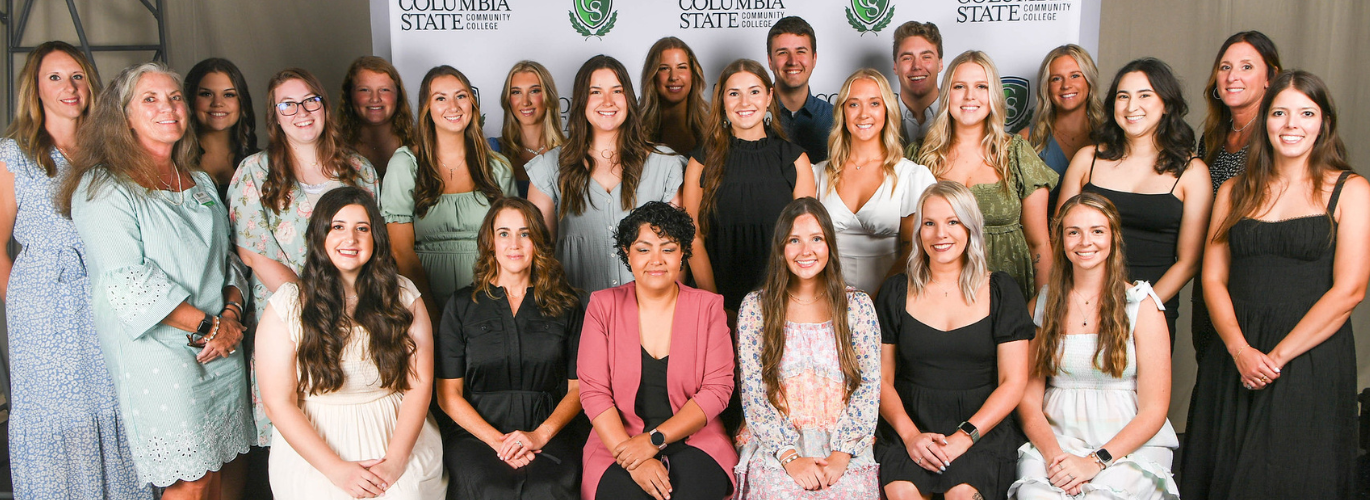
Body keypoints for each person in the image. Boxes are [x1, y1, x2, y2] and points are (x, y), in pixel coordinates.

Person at [61, 61, 254, 498]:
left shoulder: (200, 182)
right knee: (193, 480)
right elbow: (129, 284)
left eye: (173, 98)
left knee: (229, 470)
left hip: (221, 346)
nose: (167, 108)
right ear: (123, 115)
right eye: (150, 99)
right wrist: (211, 328)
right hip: (162, 353)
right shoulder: (103, 188)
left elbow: (230, 261)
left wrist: (230, 314)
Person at [1181, 70, 1369, 500]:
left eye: (1306, 113)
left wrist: (1275, 359)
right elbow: (1212, 277)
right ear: (1264, 120)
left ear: (1324, 122)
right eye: (1280, 113)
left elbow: (1350, 290)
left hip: (1308, 356)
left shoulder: (1351, 189)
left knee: (1291, 478)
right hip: (1234, 352)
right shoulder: (1232, 191)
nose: (1291, 124)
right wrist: (1240, 351)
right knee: (1221, 474)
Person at [0, 41, 149, 500]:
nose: (69, 87)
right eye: (55, 78)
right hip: (43, 303)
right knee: (58, 414)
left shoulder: (112, 150)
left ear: (90, 84)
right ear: (36, 89)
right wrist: (24, 302)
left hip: (110, 291)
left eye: (78, 76)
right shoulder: (14, 154)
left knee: (114, 401)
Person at [256, 187, 447, 499]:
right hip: (318, 443)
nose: (351, 239)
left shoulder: (403, 295)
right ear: (320, 236)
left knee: (406, 493)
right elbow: (278, 403)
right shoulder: (288, 305)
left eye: (362, 228)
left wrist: (395, 462)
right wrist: (335, 469)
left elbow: (420, 384)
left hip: (395, 433)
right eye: (338, 227)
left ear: (376, 239)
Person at [229, 68, 379, 445]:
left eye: (310, 100)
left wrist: (347, 306)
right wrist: (314, 305)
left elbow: (375, 244)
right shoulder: (254, 171)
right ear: (275, 116)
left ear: (324, 106)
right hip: (287, 317)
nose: (302, 111)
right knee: (294, 426)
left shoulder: (359, 170)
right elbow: (253, 251)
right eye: (288, 104)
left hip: (356, 313)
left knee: (354, 432)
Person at [1008, 192, 1178, 499]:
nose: (1085, 241)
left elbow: (1154, 409)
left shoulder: (1142, 306)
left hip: (1126, 445)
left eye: (1097, 231)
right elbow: (1028, 402)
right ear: (1060, 239)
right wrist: (1055, 458)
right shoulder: (1042, 305)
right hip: (1058, 440)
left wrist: (1094, 462)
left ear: (1113, 237)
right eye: (1074, 232)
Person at [875, 181, 1033, 500]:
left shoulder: (1001, 290)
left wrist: (965, 436)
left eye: (952, 222)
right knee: (902, 493)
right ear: (919, 231)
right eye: (929, 223)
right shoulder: (895, 291)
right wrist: (910, 436)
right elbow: (881, 379)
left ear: (970, 228)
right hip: (909, 422)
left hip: (981, 427)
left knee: (961, 494)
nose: (940, 234)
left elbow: (1013, 382)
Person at [579, 201, 738, 500]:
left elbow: (717, 389)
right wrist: (632, 457)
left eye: (667, 248)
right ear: (627, 252)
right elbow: (593, 392)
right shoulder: (602, 306)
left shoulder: (708, 307)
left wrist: (653, 441)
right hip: (618, 443)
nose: (656, 259)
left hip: (694, 441)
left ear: (682, 254)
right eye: (643, 249)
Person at [434, 196, 586, 499]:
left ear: (537, 242)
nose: (514, 243)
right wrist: (497, 441)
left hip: (549, 431)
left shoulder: (567, 305)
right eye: (504, 233)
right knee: (488, 486)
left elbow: (578, 389)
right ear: (490, 241)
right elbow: (447, 395)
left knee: (548, 486)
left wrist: (538, 435)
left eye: (525, 233)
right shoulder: (462, 305)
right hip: (477, 435)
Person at [733, 198, 881, 498]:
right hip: (778, 443)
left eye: (816, 239)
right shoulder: (756, 308)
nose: (806, 251)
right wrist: (790, 458)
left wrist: (843, 454)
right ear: (780, 248)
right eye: (794, 240)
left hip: (843, 442)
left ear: (830, 245)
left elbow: (868, 385)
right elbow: (753, 392)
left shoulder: (857, 306)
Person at [1056, 58, 1212, 342]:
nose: (1131, 107)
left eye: (1144, 95)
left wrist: (1141, 306)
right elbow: (1060, 236)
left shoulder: (1192, 173)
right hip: (1083, 305)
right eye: (1123, 96)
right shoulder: (1086, 160)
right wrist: (1082, 301)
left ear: (1166, 104)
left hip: (1151, 308)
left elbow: (1189, 261)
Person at [527, 55, 685, 293]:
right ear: (581, 100)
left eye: (617, 90)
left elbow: (678, 255)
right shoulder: (548, 168)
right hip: (575, 319)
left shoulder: (665, 164)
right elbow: (538, 257)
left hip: (648, 319)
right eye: (596, 92)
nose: (608, 101)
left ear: (629, 99)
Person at [917, 51, 1056, 299]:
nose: (970, 96)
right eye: (960, 86)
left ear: (993, 96)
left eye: (981, 86)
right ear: (947, 94)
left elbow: (1040, 244)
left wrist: (1043, 310)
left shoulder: (1017, 153)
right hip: (939, 296)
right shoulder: (921, 157)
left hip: (1009, 295)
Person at [382, 65, 517, 321]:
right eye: (440, 98)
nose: (453, 106)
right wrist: (429, 312)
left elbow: (511, 245)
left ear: (473, 104)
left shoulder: (498, 167)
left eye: (461, 96)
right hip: (424, 298)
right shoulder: (406, 164)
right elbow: (400, 249)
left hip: (490, 299)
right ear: (426, 109)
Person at [684, 58, 817, 313]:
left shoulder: (795, 159)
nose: (745, 103)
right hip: (717, 302)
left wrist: (786, 303)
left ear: (769, 97)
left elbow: (805, 241)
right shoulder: (701, 161)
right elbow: (694, 238)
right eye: (734, 93)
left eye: (754, 92)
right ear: (721, 100)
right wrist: (716, 305)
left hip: (781, 303)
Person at [1191, 31, 1281, 360]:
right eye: (1225, 67)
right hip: (1209, 278)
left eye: (1246, 67)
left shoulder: (1279, 138)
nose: (1233, 77)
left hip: (1255, 281)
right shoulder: (1212, 138)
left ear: (1270, 78)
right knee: (1213, 370)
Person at [814, 69, 936, 295]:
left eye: (874, 103)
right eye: (854, 104)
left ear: (887, 110)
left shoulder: (911, 176)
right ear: (842, 112)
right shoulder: (817, 175)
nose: (863, 114)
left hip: (891, 298)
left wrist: (876, 301)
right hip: (828, 298)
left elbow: (914, 251)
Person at [1019, 45, 1104, 214]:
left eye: (1075, 76)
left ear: (1089, 80)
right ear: (1046, 87)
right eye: (1056, 78)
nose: (1066, 85)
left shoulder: (1110, 137)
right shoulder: (1028, 139)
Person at [185, 57, 257, 201]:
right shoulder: (176, 162)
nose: (217, 103)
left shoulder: (260, 162)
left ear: (241, 102)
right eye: (206, 94)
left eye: (228, 95)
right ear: (191, 100)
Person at [491, 60, 566, 197]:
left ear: (548, 96)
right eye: (516, 92)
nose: (525, 102)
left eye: (534, 91)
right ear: (508, 99)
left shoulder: (570, 153)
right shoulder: (493, 151)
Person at [766, 16, 833, 163]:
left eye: (801, 51)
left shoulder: (835, 118)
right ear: (770, 61)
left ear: (814, 58)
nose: (793, 61)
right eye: (783, 52)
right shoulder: (753, 116)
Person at [338, 56, 416, 179]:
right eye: (364, 90)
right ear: (349, 95)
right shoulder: (335, 148)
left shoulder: (418, 145)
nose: (375, 98)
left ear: (398, 95)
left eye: (384, 90)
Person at [639, 37, 709, 159]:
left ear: (693, 74)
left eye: (681, 67)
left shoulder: (713, 131)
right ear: (653, 75)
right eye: (664, 68)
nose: (674, 77)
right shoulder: (634, 133)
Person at [891, 21, 943, 149]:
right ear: (896, 66)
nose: (917, 66)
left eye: (926, 57)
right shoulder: (878, 117)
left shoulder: (959, 114)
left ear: (940, 64)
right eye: (907, 58)